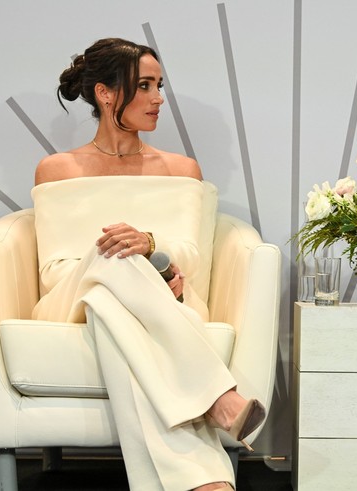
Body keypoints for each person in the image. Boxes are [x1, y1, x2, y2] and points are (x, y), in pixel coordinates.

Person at [32, 38, 265, 491]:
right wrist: (125, 255)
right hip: (68, 298)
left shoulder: (181, 169)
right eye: (144, 86)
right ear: (105, 93)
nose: (159, 99)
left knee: (110, 306)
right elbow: (54, 269)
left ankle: (204, 483)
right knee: (111, 251)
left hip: (142, 299)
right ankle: (219, 397)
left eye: (160, 85)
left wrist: (154, 255)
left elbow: (190, 255)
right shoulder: (56, 169)